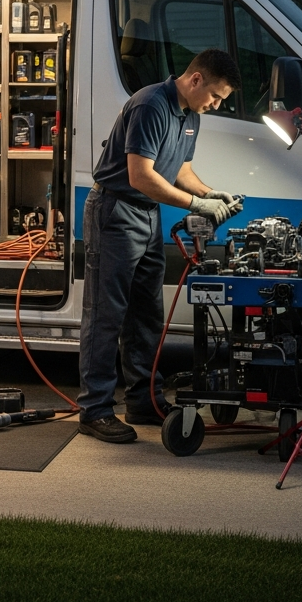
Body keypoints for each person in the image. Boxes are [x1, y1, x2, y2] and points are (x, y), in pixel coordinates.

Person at [77, 48, 244, 443]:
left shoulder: (189, 115)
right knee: (106, 316)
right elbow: (140, 176)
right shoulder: (151, 104)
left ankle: (143, 402)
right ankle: (94, 410)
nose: (216, 105)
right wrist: (196, 204)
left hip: (146, 215)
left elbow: (180, 169)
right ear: (196, 79)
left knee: (147, 315)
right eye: (216, 96)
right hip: (116, 211)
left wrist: (212, 193)